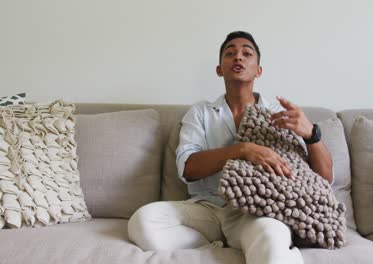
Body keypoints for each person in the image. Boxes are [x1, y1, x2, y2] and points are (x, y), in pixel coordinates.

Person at [128, 31, 333, 264]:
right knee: (142, 222)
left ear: (259, 70)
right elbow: (188, 168)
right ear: (219, 69)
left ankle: (258, 247)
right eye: (230, 53)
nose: (238, 57)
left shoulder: (279, 115)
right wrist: (242, 149)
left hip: (256, 210)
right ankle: (222, 248)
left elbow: (323, 178)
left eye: (247, 53)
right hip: (208, 208)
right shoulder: (201, 112)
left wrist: (311, 134)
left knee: (271, 236)